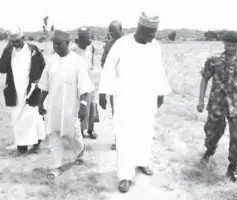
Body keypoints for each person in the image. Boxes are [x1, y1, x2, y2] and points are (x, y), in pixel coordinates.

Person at [98, 12, 171, 193]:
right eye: (151, 33)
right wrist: (104, 93)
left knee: (145, 131)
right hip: (125, 97)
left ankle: (142, 161)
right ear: (141, 29)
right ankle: (124, 175)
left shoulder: (154, 46)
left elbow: (158, 68)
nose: (153, 37)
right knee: (125, 135)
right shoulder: (121, 44)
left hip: (147, 97)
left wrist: (161, 92)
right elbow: (108, 68)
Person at [197, 30, 237, 183]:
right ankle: (209, 151)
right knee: (212, 132)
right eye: (228, 44)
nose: (231, 48)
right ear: (224, 44)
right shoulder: (213, 60)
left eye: (234, 45)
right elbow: (204, 80)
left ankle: (232, 168)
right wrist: (201, 100)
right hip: (217, 104)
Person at [38, 30, 94, 177]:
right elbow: (44, 84)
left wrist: (83, 105)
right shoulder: (51, 61)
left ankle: (80, 151)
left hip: (71, 106)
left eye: (59, 44)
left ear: (68, 44)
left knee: (73, 135)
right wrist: (40, 102)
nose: (56, 47)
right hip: (54, 106)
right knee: (53, 135)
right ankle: (56, 166)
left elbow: (84, 86)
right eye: (54, 44)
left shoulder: (77, 61)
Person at [0, 27, 46, 156]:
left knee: (32, 117)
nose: (15, 44)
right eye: (12, 42)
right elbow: (1, 68)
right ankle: (22, 146)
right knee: (17, 117)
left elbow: (43, 67)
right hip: (15, 91)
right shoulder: (9, 51)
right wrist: (7, 51)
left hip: (31, 90)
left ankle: (36, 144)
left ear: (23, 38)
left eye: (17, 41)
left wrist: (38, 83)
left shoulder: (33, 50)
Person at [71, 27, 99, 139]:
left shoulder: (91, 48)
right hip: (78, 83)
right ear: (81, 39)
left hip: (90, 81)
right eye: (88, 38)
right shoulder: (73, 50)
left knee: (92, 105)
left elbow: (91, 64)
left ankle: (91, 130)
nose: (90, 40)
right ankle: (81, 131)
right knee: (81, 106)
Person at [100, 20, 123, 150]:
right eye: (110, 32)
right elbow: (103, 62)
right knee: (116, 112)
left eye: (114, 31)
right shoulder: (108, 45)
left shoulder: (129, 44)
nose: (112, 34)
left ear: (121, 29)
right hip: (114, 84)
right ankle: (118, 139)